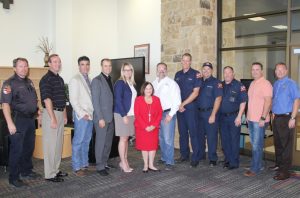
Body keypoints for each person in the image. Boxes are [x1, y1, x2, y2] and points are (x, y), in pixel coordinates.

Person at [0, 58, 40, 187]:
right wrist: (10, 123)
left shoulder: (29, 82)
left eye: (26, 66)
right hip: (18, 119)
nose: (24, 68)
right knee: (17, 149)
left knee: (29, 147)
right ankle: (14, 177)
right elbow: (5, 105)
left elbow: (33, 100)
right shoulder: (9, 84)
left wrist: (37, 113)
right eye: (21, 66)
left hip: (30, 119)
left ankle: (26, 170)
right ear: (14, 68)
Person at [39, 54, 68, 182]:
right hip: (51, 114)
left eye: (59, 62)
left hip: (60, 113)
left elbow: (63, 99)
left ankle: (55, 170)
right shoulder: (45, 79)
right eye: (55, 62)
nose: (57, 64)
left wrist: (65, 114)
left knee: (58, 145)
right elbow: (47, 99)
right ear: (49, 64)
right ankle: (49, 174)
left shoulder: (60, 79)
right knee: (50, 145)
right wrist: (53, 118)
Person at [271, 62, 300, 180]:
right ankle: (279, 165)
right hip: (277, 117)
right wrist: (273, 113)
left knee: (286, 145)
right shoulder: (276, 84)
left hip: (287, 117)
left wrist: (293, 117)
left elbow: (297, 101)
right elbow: (275, 100)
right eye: (277, 70)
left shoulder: (291, 83)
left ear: (286, 70)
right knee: (278, 143)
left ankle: (285, 171)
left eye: (282, 69)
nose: (279, 72)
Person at [244, 62, 272, 177]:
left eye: (257, 69)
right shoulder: (252, 84)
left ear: (261, 71)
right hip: (251, 119)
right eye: (253, 69)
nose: (254, 71)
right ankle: (258, 164)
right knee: (254, 143)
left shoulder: (266, 84)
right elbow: (251, 102)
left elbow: (268, 102)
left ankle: (254, 169)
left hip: (259, 120)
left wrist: (263, 117)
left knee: (256, 145)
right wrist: (247, 116)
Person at [174, 53, 202, 167]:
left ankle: (195, 157)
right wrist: (178, 105)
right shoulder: (177, 74)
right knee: (182, 133)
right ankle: (184, 155)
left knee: (193, 133)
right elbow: (174, 92)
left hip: (191, 109)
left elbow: (195, 93)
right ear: (181, 61)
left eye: (187, 60)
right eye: (184, 60)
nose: (185, 62)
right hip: (180, 109)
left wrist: (183, 104)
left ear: (190, 62)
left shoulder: (196, 74)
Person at [152, 62, 181, 170]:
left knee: (168, 138)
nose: (161, 70)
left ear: (166, 70)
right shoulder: (153, 83)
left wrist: (170, 115)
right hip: (157, 114)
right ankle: (164, 157)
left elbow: (177, 101)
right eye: (159, 69)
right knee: (161, 138)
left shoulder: (172, 83)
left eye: (163, 69)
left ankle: (170, 161)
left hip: (167, 113)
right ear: (156, 70)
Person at [69, 56, 94, 177]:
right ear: (79, 66)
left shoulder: (88, 78)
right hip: (82, 116)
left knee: (86, 141)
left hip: (90, 115)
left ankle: (84, 164)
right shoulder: (75, 79)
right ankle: (76, 166)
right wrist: (82, 113)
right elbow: (73, 100)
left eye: (87, 64)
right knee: (78, 141)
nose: (85, 67)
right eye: (83, 64)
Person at [219, 66, 247, 170]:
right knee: (225, 140)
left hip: (234, 117)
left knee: (234, 140)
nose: (227, 74)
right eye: (225, 72)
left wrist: (239, 116)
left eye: (229, 72)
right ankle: (227, 159)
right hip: (222, 117)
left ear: (233, 74)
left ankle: (234, 162)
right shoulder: (220, 85)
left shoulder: (239, 85)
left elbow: (243, 102)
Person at [91, 58, 114, 176]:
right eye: (105, 66)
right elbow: (95, 102)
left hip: (110, 117)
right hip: (102, 118)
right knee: (100, 142)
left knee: (108, 143)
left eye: (109, 66)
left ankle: (104, 163)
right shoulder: (97, 80)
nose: (108, 68)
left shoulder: (110, 79)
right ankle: (99, 166)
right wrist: (100, 118)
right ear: (101, 67)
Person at [197, 62, 223, 167]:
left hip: (210, 113)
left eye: (208, 69)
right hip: (199, 114)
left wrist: (213, 114)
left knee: (211, 137)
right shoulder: (199, 81)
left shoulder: (216, 82)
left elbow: (218, 98)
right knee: (200, 137)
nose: (206, 71)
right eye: (204, 69)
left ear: (211, 70)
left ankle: (213, 158)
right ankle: (201, 155)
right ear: (202, 70)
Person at [134, 82, 162, 173]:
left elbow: (160, 113)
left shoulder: (156, 99)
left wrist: (154, 125)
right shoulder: (138, 99)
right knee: (144, 146)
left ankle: (151, 164)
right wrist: (145, 126)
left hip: (154, 127)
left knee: (153, 146)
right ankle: (146, 164)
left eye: (150, 88)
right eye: (147, 88)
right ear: (143, 90)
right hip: (142, 128)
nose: (149, 90)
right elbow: (137, 115)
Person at [114, 62, 137, 173]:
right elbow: (118, 100)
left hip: (130, 114)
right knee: (123, 139)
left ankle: (125, 161)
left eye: (130, 70)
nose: (128, 72)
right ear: (122, 71)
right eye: (126, 70)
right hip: (122, 114)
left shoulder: (130, 83)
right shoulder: (120, 83)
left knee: (126, 138)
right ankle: (123, 162)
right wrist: (124, 115)